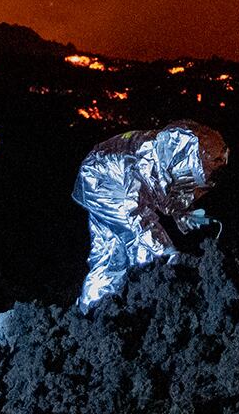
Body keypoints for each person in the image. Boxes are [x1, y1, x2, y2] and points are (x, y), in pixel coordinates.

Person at [72, 120, 228, 310]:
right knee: (134, 244)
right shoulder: (137, 167)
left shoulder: (168, 155)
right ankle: (144, 300)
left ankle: (92, 307)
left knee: (110, 248)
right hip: (103, 182)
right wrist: (165, 252)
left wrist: (183, 213)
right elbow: (136, 215)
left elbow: (168, 187)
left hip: (102, 175)